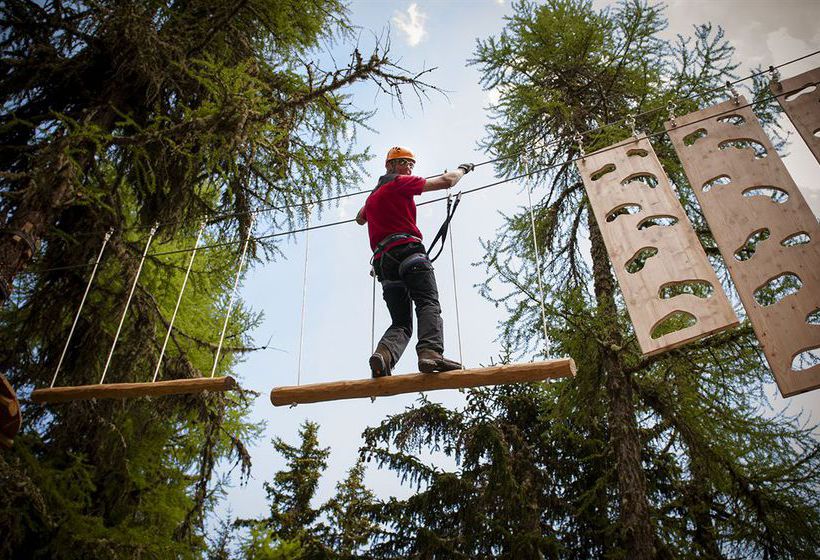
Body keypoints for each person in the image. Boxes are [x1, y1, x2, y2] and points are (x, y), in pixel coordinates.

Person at [356, 146, 474, 378]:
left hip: (384, 263)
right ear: (390, 166)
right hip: (409, 253)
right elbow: (447, 181)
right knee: (427, 302)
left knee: (401, 322)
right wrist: (462, 170)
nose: (409, 167)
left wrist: (373, 201)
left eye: (411, 164)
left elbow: (359, 218)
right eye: (403, 162)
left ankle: (383, 356)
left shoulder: (372, 198)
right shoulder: (400, 183)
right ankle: (430, 353)